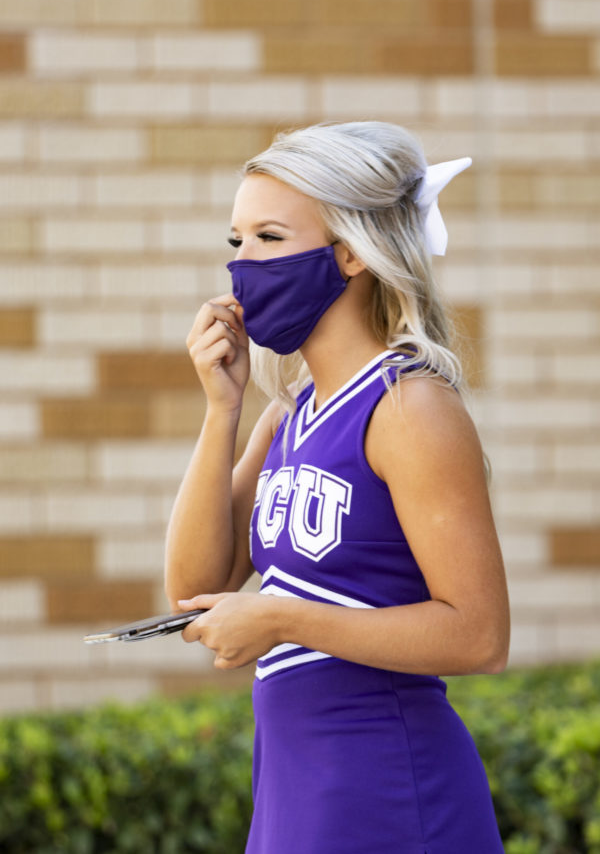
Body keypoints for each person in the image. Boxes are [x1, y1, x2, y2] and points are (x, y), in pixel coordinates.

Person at [164, 121, 510, 854]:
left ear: (351, 252)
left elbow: (480, 636)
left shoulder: (410, 408)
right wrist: (222, 410)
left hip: (387, 787)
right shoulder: (286, 417)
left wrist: (285, 619)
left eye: (269, 238)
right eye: (237, 242)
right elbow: (194, 588)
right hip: (294, 790)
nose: (242, 267)